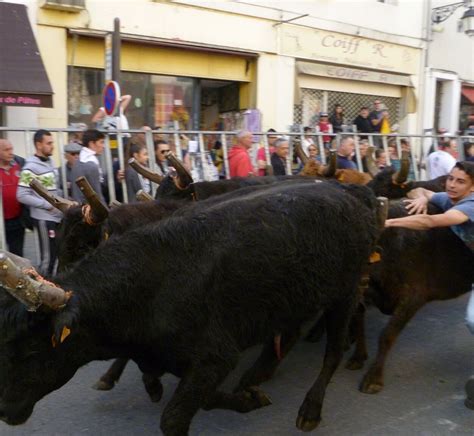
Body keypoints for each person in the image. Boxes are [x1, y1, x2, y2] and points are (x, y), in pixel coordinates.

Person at [17, 130, 63, 277]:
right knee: (47, 259)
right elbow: (22, 195)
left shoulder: (50, 162)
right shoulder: (30, 167)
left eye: (52, 142)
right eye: (49, 143)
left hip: (56, 217)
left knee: (55, 256)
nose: (52, 146)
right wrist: (47, 205)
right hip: (44, 219)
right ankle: (43, 290)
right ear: (38, 145)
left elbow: (52, 189)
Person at [0, 139, 25, 256]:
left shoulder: (19, 165)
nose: (11, 152)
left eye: (11, 149)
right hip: (1, 221)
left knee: (17, 254)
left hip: (17, 220)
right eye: (6, 150)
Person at [70, 129, 106, 204]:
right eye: (101, 142)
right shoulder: (91, 165)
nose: (103, 146)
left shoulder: (78, 161)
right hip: (89, 210)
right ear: (92, 144)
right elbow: (97, 194)